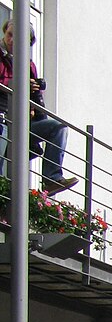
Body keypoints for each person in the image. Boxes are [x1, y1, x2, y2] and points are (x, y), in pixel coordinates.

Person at [0, 20, 76, 195]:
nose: (11, 40)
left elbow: (34, 98)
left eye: (17, 38)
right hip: (2, 117)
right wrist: (21, 85)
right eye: (10, 35)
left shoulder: (28, 64)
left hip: (20, 122)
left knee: (58, 128)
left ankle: (52, 179)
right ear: (5, 33)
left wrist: (35, 89)